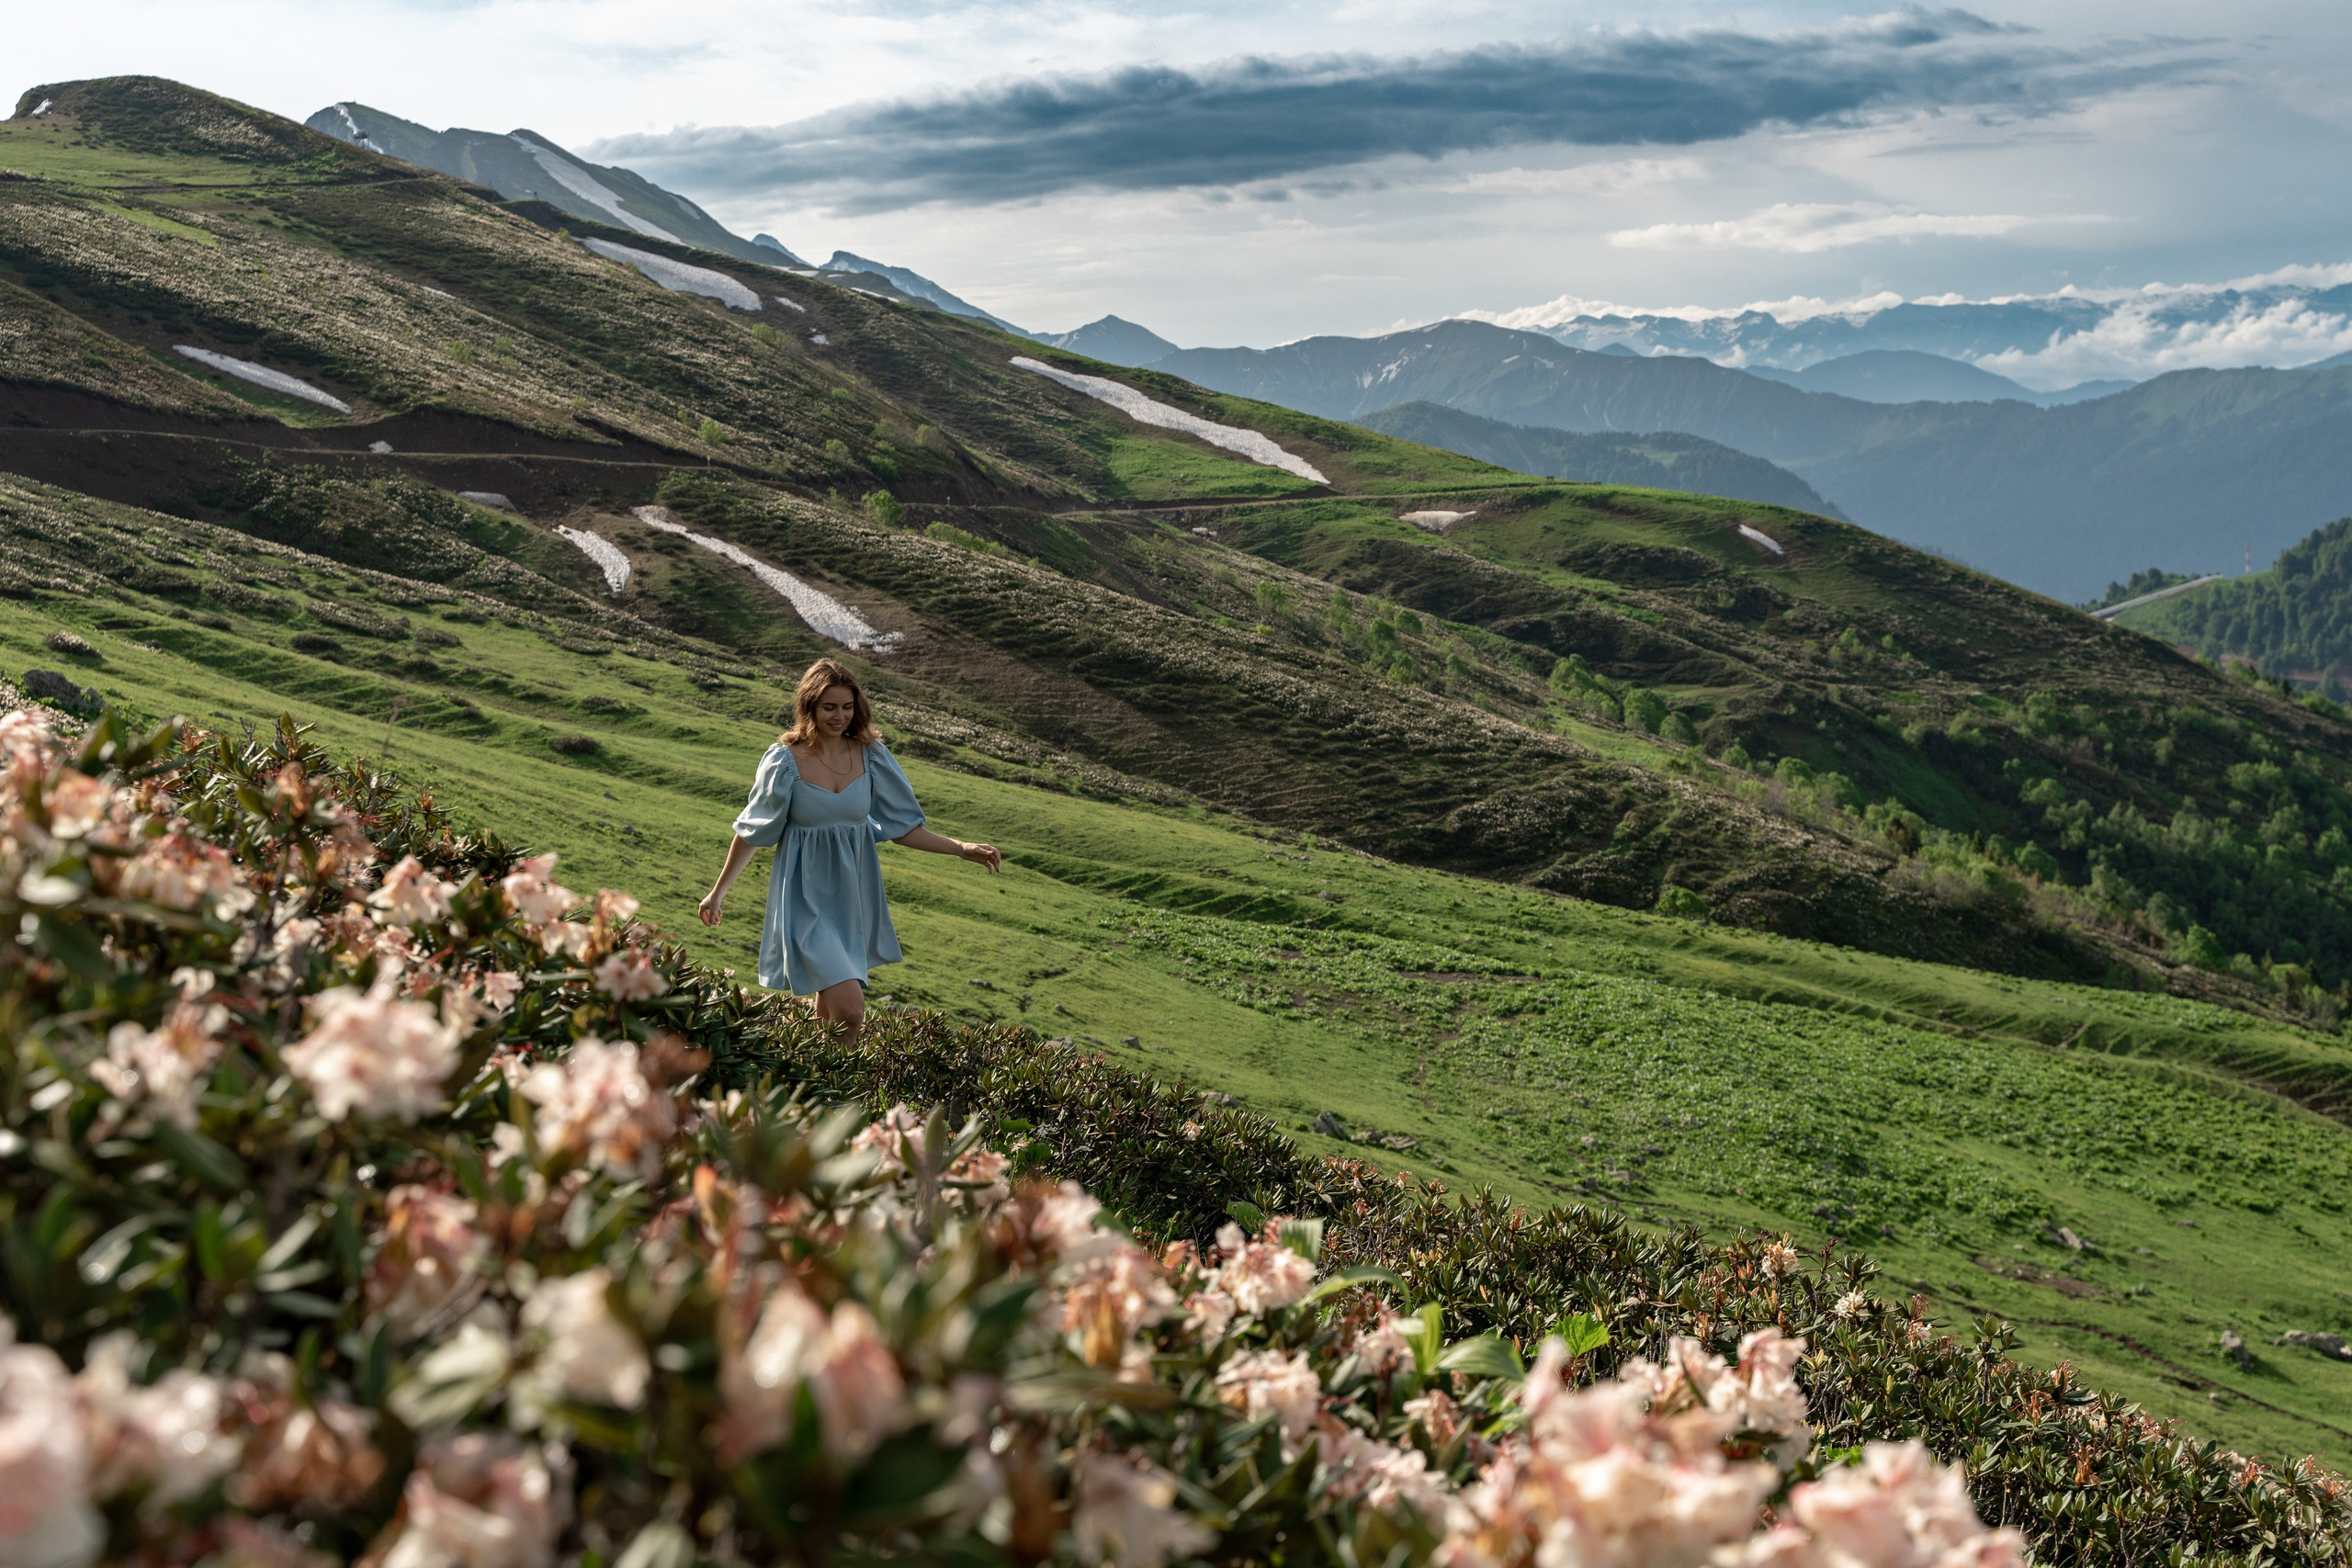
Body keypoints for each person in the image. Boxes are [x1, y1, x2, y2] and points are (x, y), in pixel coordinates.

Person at [699, 658, 999, 1040]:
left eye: (847, 706)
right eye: (829, 707)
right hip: (805, 901)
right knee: (852, 1011)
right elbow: (752, 832)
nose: (839, 716)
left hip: (853, 898)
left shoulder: (872, 756)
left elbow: (902, 828)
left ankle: (807, 1085)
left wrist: (960, 848)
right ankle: (835, 1096)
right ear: (808, 707)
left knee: (829, 1021)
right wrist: (717, 893)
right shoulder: (783, 761)